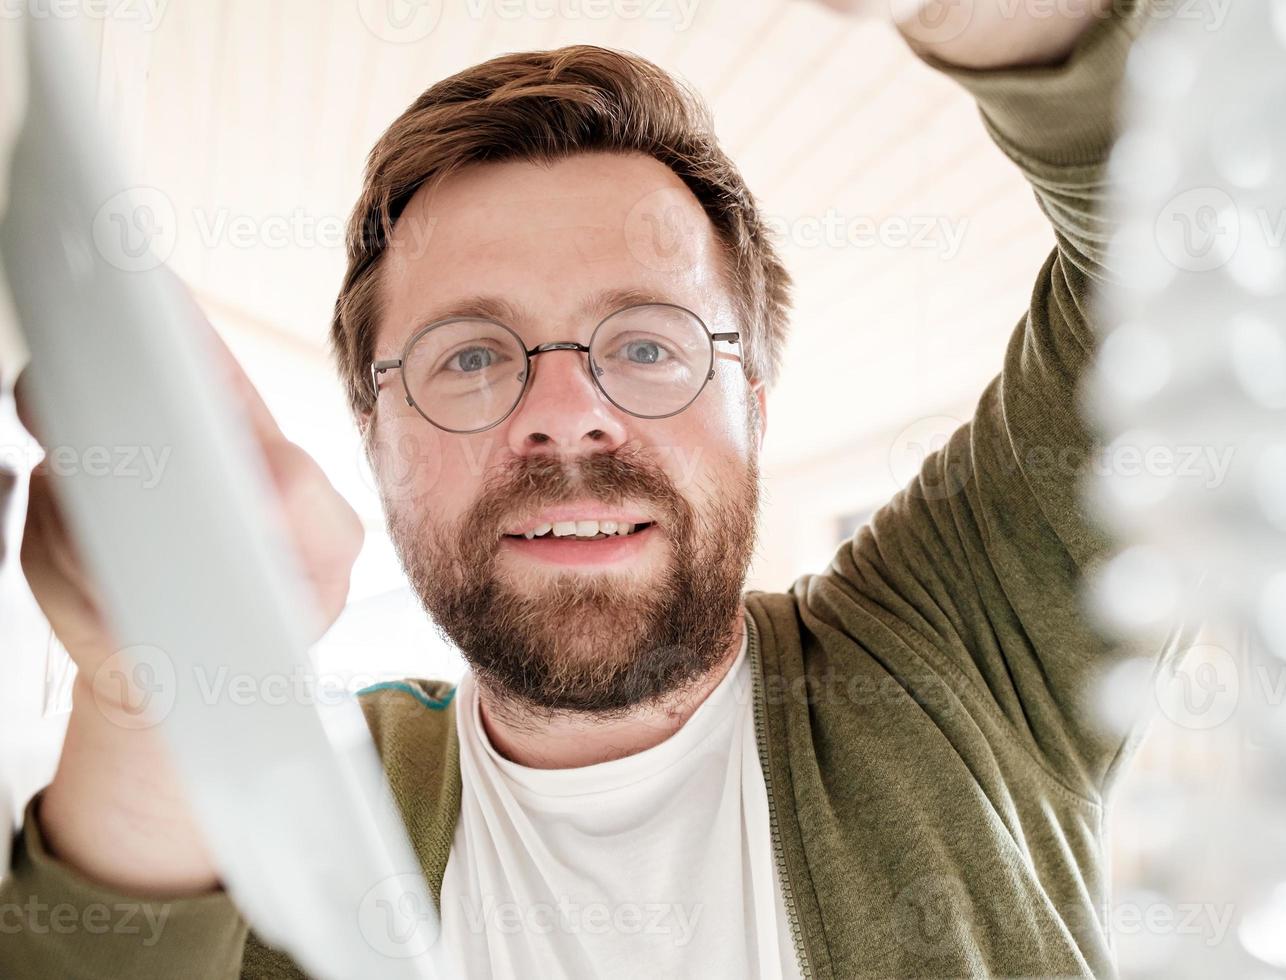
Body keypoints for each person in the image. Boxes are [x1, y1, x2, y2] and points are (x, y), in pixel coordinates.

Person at [1, 1, 1174, 976]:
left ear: (755, 407)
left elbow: (1196, 254)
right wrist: (155, 683)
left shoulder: (965, 649)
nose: (568, 411)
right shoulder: (301, 802)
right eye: (469, 356)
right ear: (377, 436)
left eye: (650, 345)